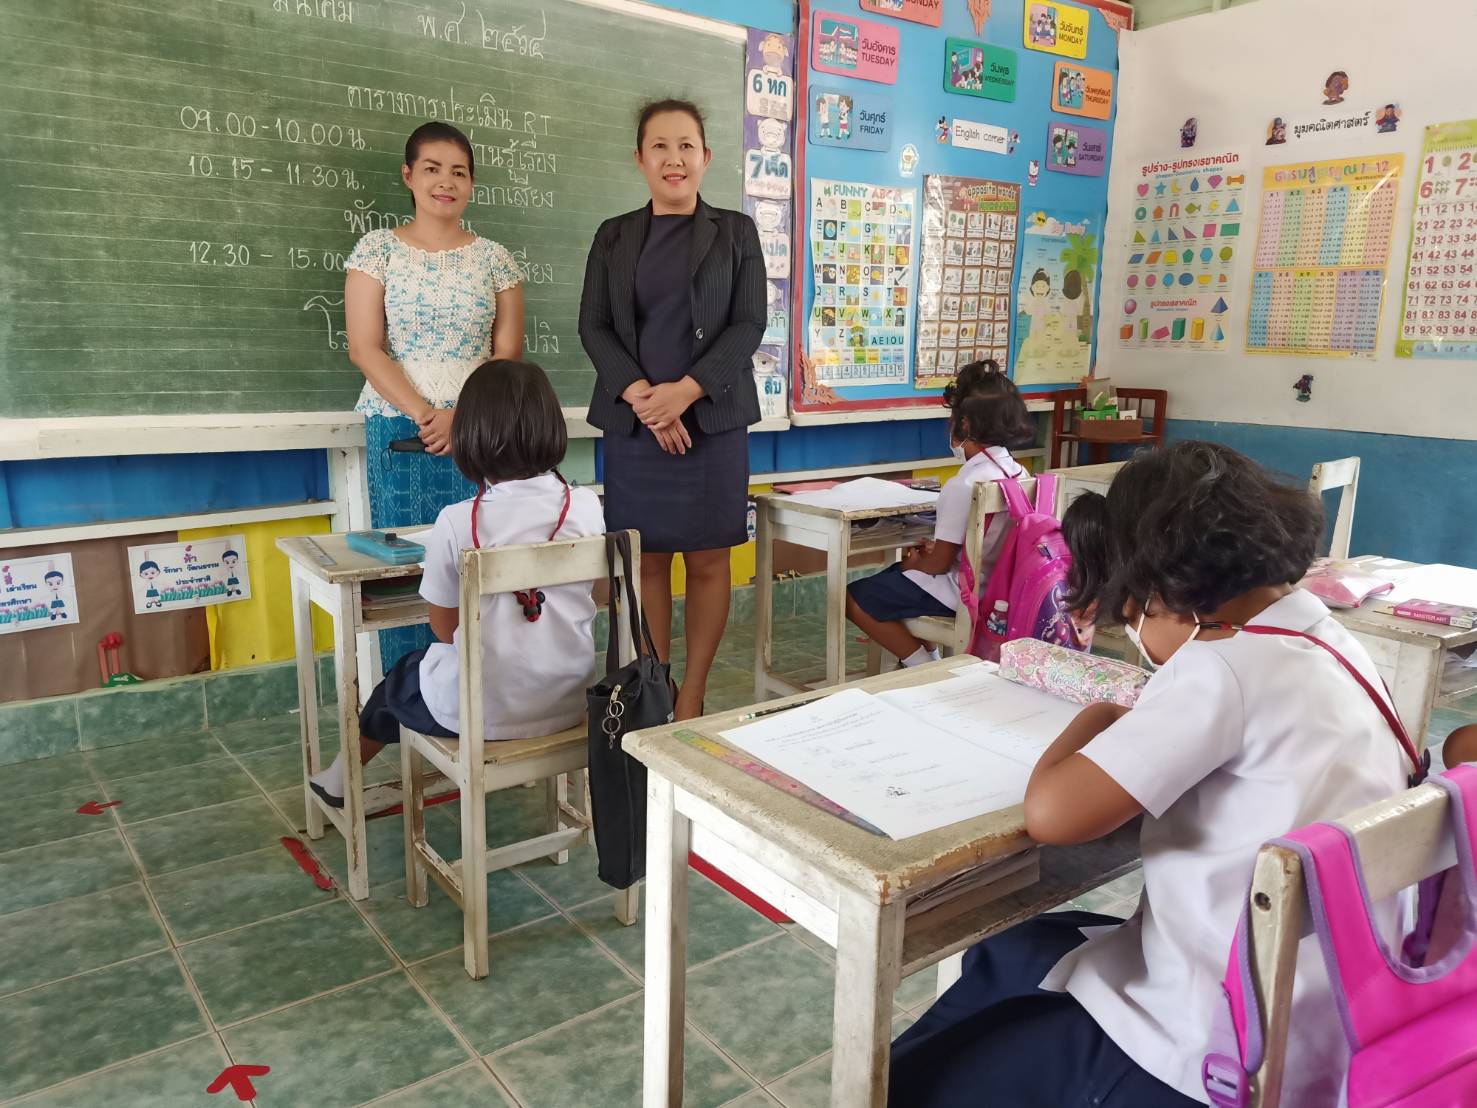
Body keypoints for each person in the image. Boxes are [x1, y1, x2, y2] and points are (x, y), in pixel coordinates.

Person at [889, 442, 1416, 1108]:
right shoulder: (1331, 641)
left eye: (1130, 608)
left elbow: (1052, 815)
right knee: (1015, 952)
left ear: (1163, 591)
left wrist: (1101, 714)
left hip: (1212, 1044)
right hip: (1334, 1006)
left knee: (936, 1063)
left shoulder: (1219, 666)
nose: (1132, 627)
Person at [309, 360, 602, 808]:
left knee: (400, 680)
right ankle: (337, 779)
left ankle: (338, 781)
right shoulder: (585, 506)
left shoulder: (457, 520)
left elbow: (445, 629)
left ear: (471, 436)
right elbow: (599, 595)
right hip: (568, 702)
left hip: (484, 712)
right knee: (422, 675)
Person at [579, 99, 765, 721]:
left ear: (706, 157)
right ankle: (654, 688)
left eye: (686, 145)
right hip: (635, 429)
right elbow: (594, 325)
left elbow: (749, 323)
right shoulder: (612, 235)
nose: (674, 158)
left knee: (710, 560)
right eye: (660, 146)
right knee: (647, 561)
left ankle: (691, 696)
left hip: (712, 423)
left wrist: (686, 391)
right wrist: (641, 395)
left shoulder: (736, 232)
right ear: (640, 158)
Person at [344, 120, 525, 667]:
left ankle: (480, 691)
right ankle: (408, 693)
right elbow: (365, 348)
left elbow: (507, 356)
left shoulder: (495, 259)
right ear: (409, 175)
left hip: (481, 431)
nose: (446, 182)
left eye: (459, 172)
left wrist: (461, 417)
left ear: (471, 184)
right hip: (400, 425)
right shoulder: (377, 250)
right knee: (405, 571)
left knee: (479, 563)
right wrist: (428, 413)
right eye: (432, 169)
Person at [845, 361, 1031, 667]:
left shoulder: (965, 484)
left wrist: (917, 563)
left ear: (965, 424)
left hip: (964, 592)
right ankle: (928, 660)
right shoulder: (1020, 474)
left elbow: (939, 564)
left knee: (855, 596)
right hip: (1002, 589)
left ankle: (924, 668)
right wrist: (936, 555)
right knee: (894, 581)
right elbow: (985, 541)